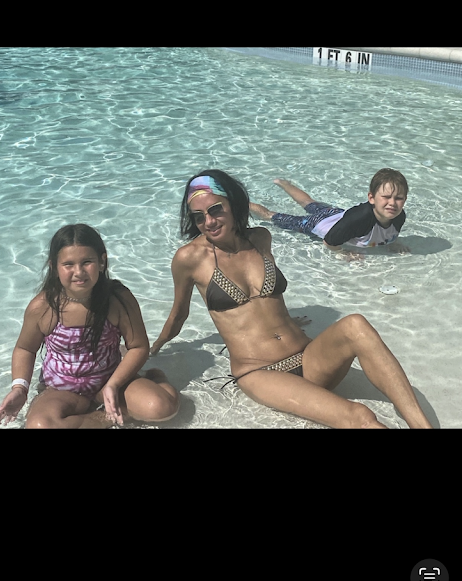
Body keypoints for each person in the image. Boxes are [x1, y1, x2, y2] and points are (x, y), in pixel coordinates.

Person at [151, 171, 434, 429]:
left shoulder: (260, 238)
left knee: (356, 324)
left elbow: (264, 301)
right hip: (259, 372)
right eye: (199, 217)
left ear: (233, 205)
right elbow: (179, 314)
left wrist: (284, 319)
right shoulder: (189, 259)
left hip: (308, 356)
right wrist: (157, 345)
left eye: (215, 210)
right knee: (360, 416)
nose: (209, 221)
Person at [0, 224, 179, 430]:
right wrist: (20, 388)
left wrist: (114, 384)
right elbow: (25, 349)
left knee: (162, 408)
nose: (79, 272)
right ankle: (106, 417)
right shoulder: (44, 307)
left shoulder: (117, 300)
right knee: (40, 426)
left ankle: (156, 378)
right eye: (68, 264)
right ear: (54, 267)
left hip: (110, 378)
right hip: (61, 389)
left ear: (102, 261)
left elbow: (138, 346)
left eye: (87, 262)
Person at [249, 169, 411, 254]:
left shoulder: (399, 215)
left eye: (399, 198)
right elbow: (329, 242)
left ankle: (284, 183)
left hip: (336, 214)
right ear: (371, 198)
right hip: (317, 223)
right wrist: (343, 253)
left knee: (309, 202)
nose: (392, 203)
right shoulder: (359, 219)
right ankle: (242, 202)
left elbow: (388, 233)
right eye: (386, 197)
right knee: (271, 216)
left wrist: (393, 243)